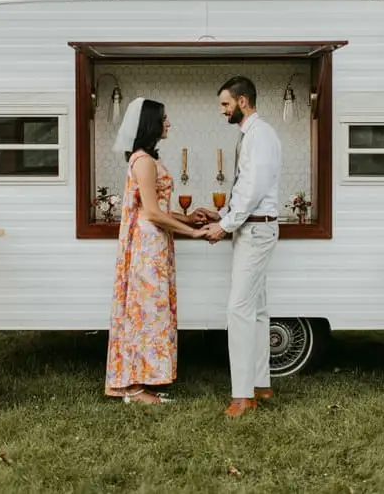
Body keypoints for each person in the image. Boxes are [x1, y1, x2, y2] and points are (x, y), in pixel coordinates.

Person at [105, 97, 208, 405]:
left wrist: (187, 217)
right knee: (146, 314)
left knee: (150, 312)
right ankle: (135, 390)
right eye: (164, 119)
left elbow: (151, 208)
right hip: (147, 248)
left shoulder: (143, 159)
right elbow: (151, 212)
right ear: (150, 124)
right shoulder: (144, 161)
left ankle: (141, 383)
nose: (168, 123)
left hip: (152, 243)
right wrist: (193, 232)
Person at [202, 76, 282, 418]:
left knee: (238, 309)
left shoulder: (260, 135)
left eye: (225, 104)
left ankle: (242, 396)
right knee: (258, 310)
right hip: (252, 228)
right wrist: (221, 213)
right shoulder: (252, 135)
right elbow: (245, 187)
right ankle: (261, 385)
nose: (223, 111)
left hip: (255, 231)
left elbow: (253, 189)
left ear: (243, 101)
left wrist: (225, 225)